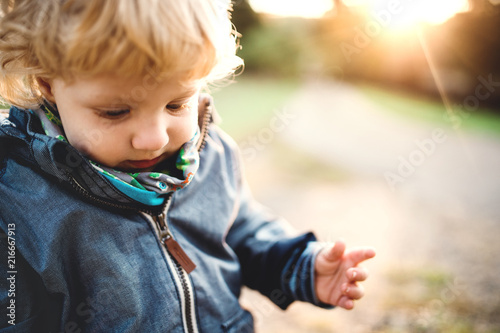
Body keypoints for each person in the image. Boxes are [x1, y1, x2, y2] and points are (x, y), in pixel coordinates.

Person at [0, 0, 375, 332]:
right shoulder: (17, 196)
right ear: (48, 84)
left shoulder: (208, 152)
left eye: (176, 104)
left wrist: (300, 267)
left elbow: (240, 228)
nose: (154, 138)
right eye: (116, 112)